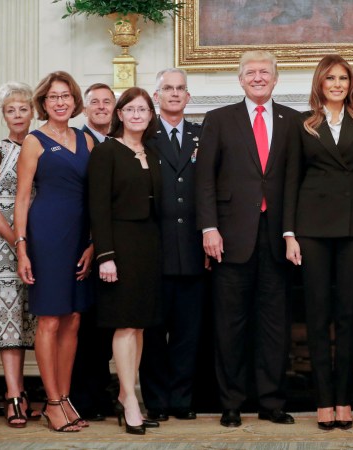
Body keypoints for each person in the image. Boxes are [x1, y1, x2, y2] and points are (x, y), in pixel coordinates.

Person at [196, 50, 298, 428]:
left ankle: (272, 402)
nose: (258, 77)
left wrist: (293, 233)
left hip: (277, 240)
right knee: (230, 326)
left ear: (276, 78)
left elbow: (294, 181)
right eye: (251, 72)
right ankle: (231, 403)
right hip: (230, 239)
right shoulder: (219, 119)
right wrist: (208, 228)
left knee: (274, 326)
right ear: (240, 79)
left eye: (264, 72)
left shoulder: (293, 121)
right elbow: (204, 179)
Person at [283, 54, 353, 430]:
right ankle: (323, 401)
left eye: (343, 78)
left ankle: (344, 400)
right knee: (317, 313)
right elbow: (291, 179)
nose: (338, 84)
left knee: (348, 314)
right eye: (331, 79)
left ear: (350, 84)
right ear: (320, 84)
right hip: (310, 229)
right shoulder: (301, 124)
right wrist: (289, 233)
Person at [14, 71, 94, 432]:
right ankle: (52, 402)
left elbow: (95, 196)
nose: (60, 102)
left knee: (73, 318)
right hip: (46, 236)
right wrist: (22, 247)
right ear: (43, 103)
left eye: (66, 96)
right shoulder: (34, 141)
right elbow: (21, 199)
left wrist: (93, 242)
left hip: (80, 238)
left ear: (74, 101)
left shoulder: (86, 140)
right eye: (53, 97)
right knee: (49, 319)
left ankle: (64, 397)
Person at [88, 87, 162, 435]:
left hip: (149, 245)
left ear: (150, 115)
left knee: (140, 324)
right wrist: (106, 256)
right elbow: (98, 208)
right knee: (125, 323)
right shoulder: (106, 152)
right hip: (119, 246)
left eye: (142, 109)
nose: (136, 115)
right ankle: (130, 399)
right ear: (119, 114)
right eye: (130, 109)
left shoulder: (152, 151)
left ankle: (125, 393)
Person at [139, 68, 206, 422]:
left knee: (187, 333)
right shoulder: (143, 136)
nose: (175, 93)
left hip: (194, 250)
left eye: (181, 88)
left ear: (188, 97)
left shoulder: (201, 135)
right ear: (157, 95)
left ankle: (181, 399)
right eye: (168, 88)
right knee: (153, 333)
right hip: (155, 249)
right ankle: (156, 401)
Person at [0, 82, 38, 427]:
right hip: (3, 246)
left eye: (23, 109)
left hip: (39, 244)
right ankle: (14, 395)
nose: (17, 115)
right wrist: (17, 239)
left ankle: (44, 394)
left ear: (33, 112)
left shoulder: (43, 146)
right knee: (8, 319)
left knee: (37, 320)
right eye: (11, 110)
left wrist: (31, 240)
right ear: (2, 115)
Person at [70, 83, 116, 422]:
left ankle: (102, 394)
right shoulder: (75, 142)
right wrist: (90, 242)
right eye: (94, 102)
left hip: (113, 246)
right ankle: (80, 398)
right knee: (81, 325)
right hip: (78, 244)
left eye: (107, 102)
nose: (101, 107)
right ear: (84, 109)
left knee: (106, 325)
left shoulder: (123, 142)